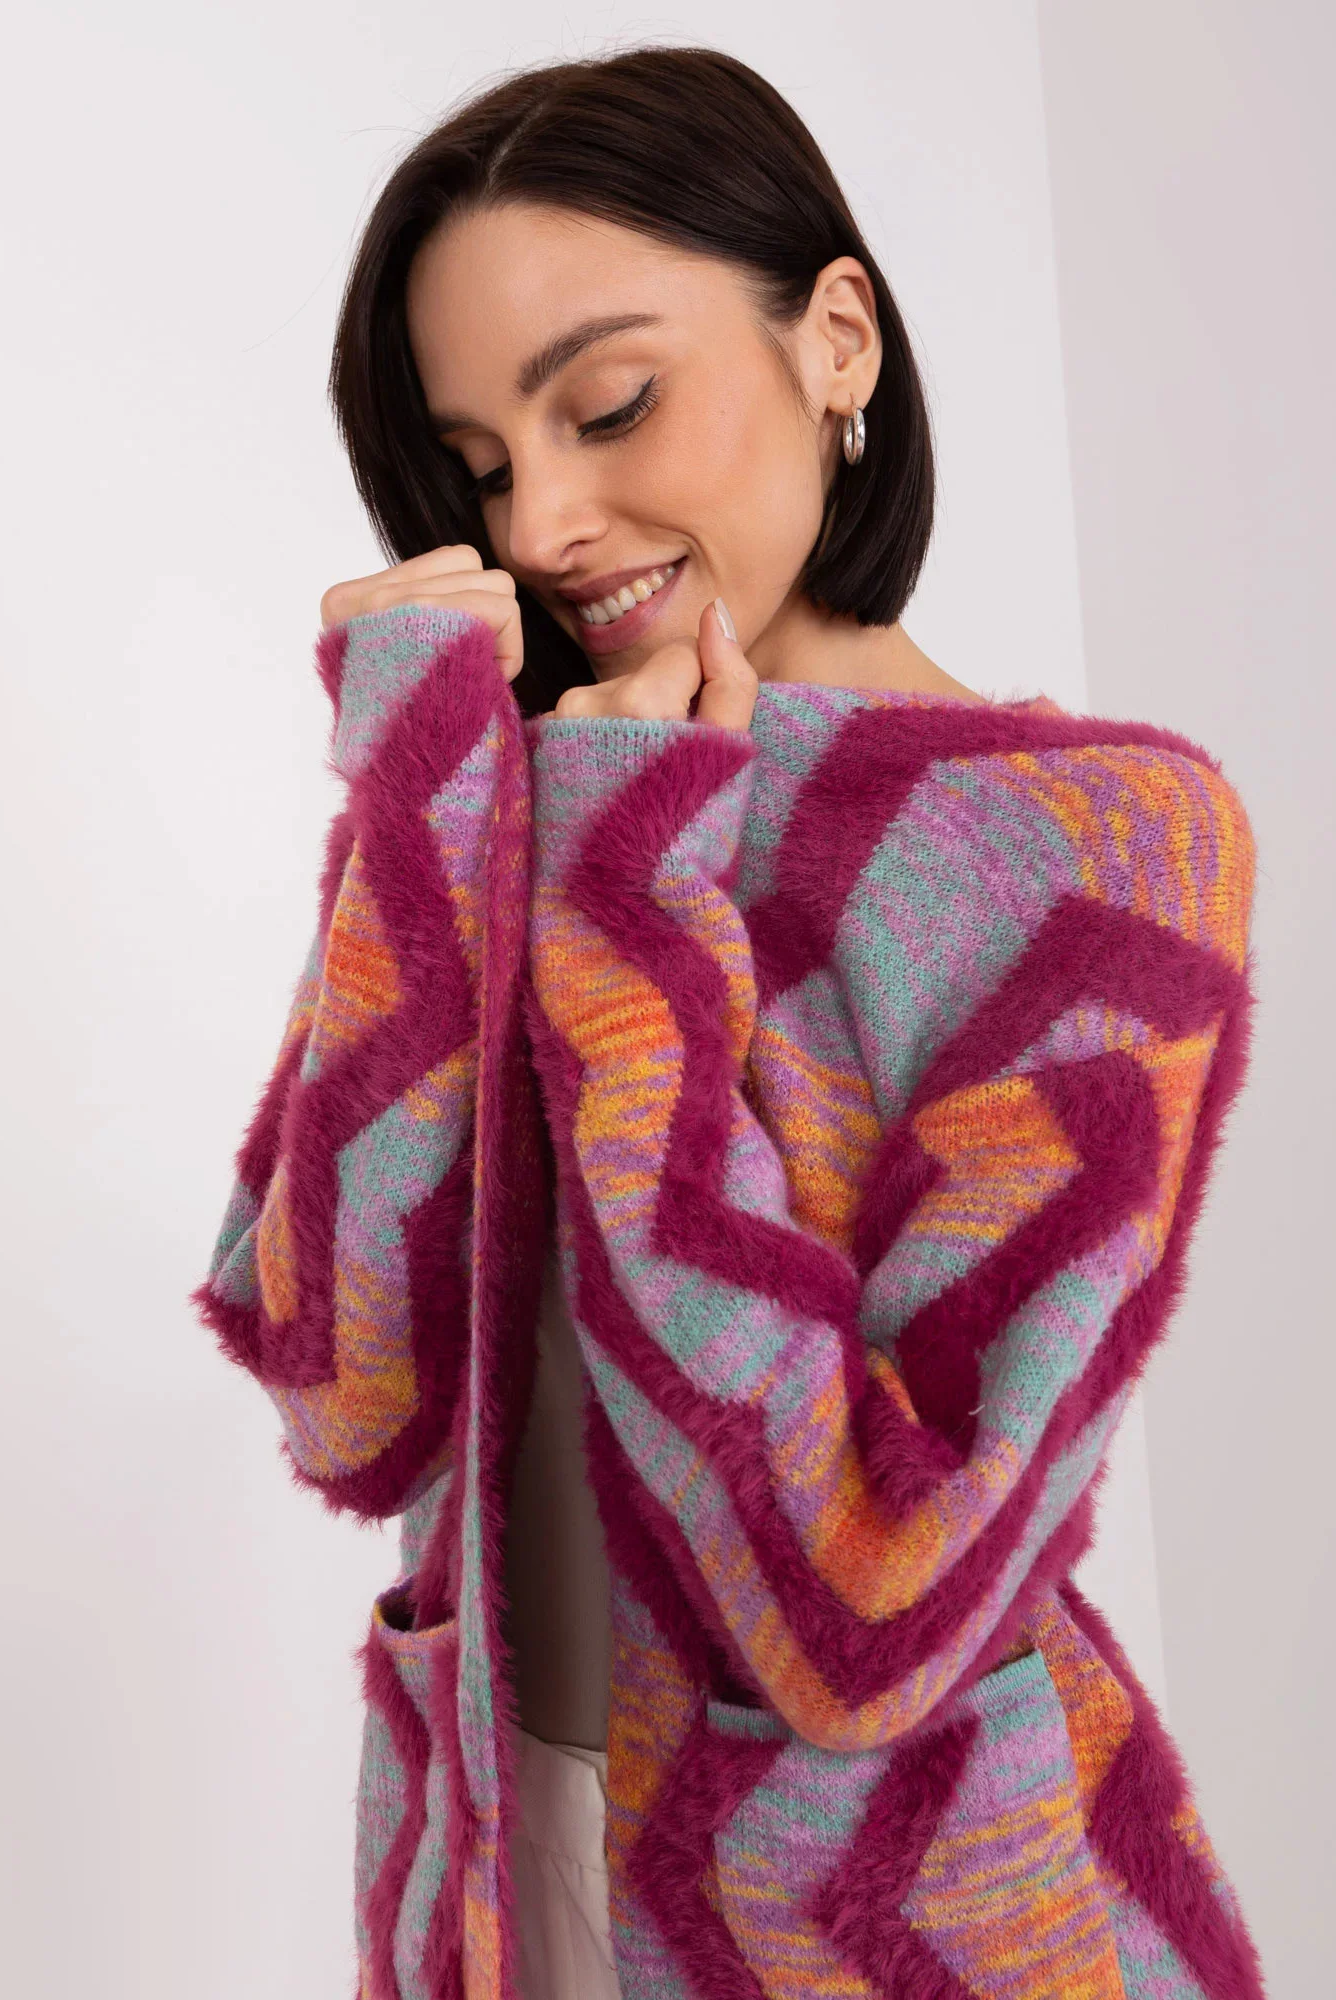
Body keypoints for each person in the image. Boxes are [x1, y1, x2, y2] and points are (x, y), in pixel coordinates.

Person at [191, 45, 1265, 2000]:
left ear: (837, 338)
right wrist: (417, 793)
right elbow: (343, 1388)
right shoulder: (513, 793)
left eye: (610, 404)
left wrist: (629, 898)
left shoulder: (1092, 853)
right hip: (494, 1887)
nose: (545, 520)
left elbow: (869, 1602)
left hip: (896, 1930)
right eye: (481, 464)